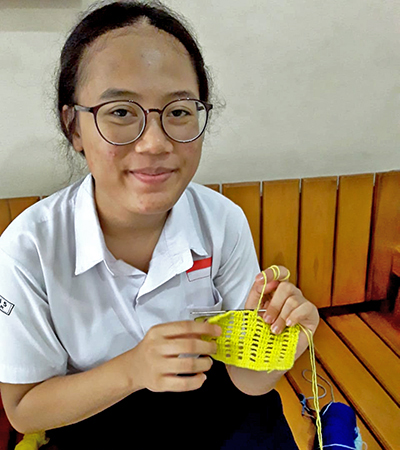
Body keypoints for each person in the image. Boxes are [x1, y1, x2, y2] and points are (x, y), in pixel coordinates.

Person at [0, 2, 319, 449]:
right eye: (120, 112)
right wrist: (134, 368)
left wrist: (279, 345)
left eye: (179, 112)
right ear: (73, 126)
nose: (154, 143)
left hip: (222, 415)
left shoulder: (222, 221)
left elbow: (248, 383)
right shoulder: (28, 249)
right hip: (96, 422)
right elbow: (23, 408)